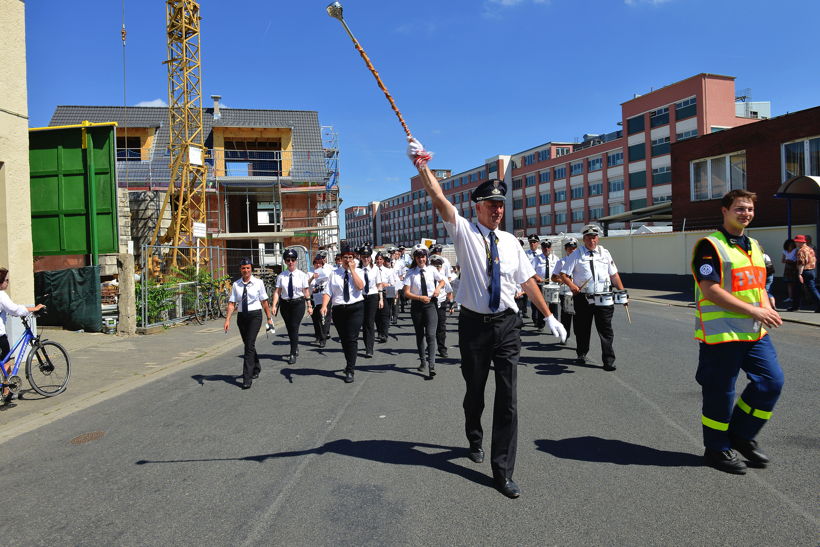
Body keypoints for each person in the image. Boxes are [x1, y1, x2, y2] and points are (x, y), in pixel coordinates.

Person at [408, 136, 567, 499]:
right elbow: (438, 199)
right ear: (477, 206)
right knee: (475, 392)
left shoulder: (511, 241)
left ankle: (503, 470)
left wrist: (547, 316)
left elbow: (527, 280)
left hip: (507, 326)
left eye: (501, 205)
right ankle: (473, 435)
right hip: (474, 326)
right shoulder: (463, 232)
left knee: (508, 397)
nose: (498, 210)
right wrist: (422, 166)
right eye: (492, 204)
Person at [691, 189, 784, 474]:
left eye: (750, 209)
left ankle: (741, 435)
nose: (746, 214)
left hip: (754, 332)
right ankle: (716, 449)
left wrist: (767, 304)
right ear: (725, 210)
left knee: (771, 382)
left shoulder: (755, 245)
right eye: (740, 209)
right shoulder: (709, 245)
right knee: (721, 393)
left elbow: (761, 285)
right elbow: (711, 290)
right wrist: (755, 310)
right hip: (722, 333)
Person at [559, 224, 625, 372]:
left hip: (603, 297)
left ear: (598, 239)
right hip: (583, 298)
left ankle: (608, 361)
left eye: (594, 237)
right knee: (582, 328)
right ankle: (581, 353)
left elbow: (614, 275)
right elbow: (563, 274)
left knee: (606, 329)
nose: (592, 240)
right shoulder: (577, 254)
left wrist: (622, 292)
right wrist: (572, 286)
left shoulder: (605, 253)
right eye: (588, 238)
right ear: (584, 239)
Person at [224, 258, 274, 389]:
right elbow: (232, 303)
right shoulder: (236, 285)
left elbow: (264, 301)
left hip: (255, 316)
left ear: (251, 268)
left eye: (248, 268)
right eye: (243, 268)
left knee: (249, 345)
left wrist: (269, 318)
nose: (246, 270)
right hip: (242, 317)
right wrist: (228, 319)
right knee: (248, 344)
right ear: (240, 270)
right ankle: (256, 366)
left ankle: (247, 377)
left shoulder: (258, 283)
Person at [0, 268, 45, 406]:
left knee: (4, 360)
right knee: (6, 360)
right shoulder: (1, 295)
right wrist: (34, 309)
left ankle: (7, 391)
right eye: (6, 280)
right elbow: (15, 309)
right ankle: (7, 390)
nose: (8, 283)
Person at [321, 246, 365, 383]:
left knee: (352, 338)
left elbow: (360, 286)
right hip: (339, 309)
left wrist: (352, 270)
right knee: (344, 339)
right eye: (345, 257)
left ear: (354, 259)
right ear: (341, 259)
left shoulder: (359, 271)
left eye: (350, 257)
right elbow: (328, 291)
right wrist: (324, 306)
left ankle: (350, 370)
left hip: (355, 308)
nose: (347, 260)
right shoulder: (334, 274)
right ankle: (348, 363)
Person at [404, 245, 445, 378]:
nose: (421, 259)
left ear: (426, 257)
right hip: (417, 306)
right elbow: (406, 293)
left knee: (431, 335)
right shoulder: (411, 273)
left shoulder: (432, 269)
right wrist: (419, 297)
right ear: (415, 258)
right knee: (420, 335)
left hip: (430, 305)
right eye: (418, 257)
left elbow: (442, 281)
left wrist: (438, 288)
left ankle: (431, 365)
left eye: (423, 256)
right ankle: (423, 361)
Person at [271, 248, 311, 364]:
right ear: (285, 261)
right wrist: (274, 305)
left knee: (294, 326)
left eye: (293, 259)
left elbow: (306, 291)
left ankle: (292, 352)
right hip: (285, 304)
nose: (291, 262)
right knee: (289, 328)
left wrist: (309, 305)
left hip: (298, 303)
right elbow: (277, 292)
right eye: (288, 260)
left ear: (296, 261)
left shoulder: (302, 275)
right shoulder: (281, 276)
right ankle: (295, 345)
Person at [552, 238, 578, 344]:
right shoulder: (561, 262)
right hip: (565, 293)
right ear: (566, 249)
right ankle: (565, 336)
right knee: (566, 317)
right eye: (569, 248)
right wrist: (564, 280)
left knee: (578, 318)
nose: (572, 250)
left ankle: (580, 339)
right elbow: (553, 277)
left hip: (577, 293)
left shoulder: (581, 260)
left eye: (573, 248)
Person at [358, 245, 383, 358]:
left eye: (368, 257)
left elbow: (379, 284)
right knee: (362, 322)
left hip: (372, 296)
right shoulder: (357, 270)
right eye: (364, 257)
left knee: (369, 322)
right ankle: (366, 343)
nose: (366, 259)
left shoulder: (375, 269)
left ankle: (369, 348)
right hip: (361, 297)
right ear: (360, 257)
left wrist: (381, 298)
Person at [430, 255, 455, 358]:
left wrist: (451, 305)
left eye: (438, 266)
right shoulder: (427, 277)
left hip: (441, 303)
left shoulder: (444, 278)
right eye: (434, 266)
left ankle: (442, 348)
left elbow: (449, 292)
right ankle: (430, 346)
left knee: (441, 327)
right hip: (430, 304)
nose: (436, 268)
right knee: (430, 327)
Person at [792, 234, 820, 312]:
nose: (796, 244)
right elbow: (814, 260)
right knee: (812, 288)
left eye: (796, 242)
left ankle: (795, 306)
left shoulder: (801, 251)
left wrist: (799, 274)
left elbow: (801, 263)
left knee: (797, 289)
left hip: (804, 271)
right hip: (812, 271)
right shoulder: (810, 249)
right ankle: (795, 306)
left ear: (800, 242)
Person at [309, 255, 331, 348]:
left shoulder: (327, 272)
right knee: (316, 319)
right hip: (314, 299)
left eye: (320, 263)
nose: (318, 265)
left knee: (324, 318)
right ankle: (318, 336)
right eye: (316, 263)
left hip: (324, 298)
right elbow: (306, 285)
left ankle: (323, 338)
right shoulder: (310, 273)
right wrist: (312, 278)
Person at [375, 252, 397, 342]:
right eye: (377, 259)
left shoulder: (388, 271)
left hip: (386, 293)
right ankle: (380, 331)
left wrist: (386, 284)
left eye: (380, 259)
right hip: (375, 294)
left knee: (385, 314)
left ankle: (384, 334)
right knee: (377, 315)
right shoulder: (373, 270)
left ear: (383, 260)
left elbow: (392, 283)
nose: (379, 261)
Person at [781, 239, 797, 307]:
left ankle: (795, 297)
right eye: (789, 245)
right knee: (789, 283)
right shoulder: (784, 251)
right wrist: (787, 261)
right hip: (787, 268)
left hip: (794, 267)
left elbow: (796, 259)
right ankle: (790, 297)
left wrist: (791, 261)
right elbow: (782, 260)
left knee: (795, 283)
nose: (791, 246)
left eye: (792, 244)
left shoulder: (795, 250)